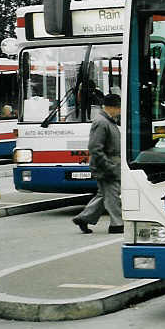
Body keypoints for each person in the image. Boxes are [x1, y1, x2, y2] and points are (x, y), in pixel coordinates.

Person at [72, 94, 123, 234]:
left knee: (104, 194)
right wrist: (109, 166)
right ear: (111, 108)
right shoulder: (101, 122)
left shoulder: (109, 121)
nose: (120, 111)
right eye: (119, 108)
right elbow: (95, 148)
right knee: (112, 195)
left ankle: (84, 218)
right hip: (106, 167)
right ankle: (117, 224)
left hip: (109, 165)